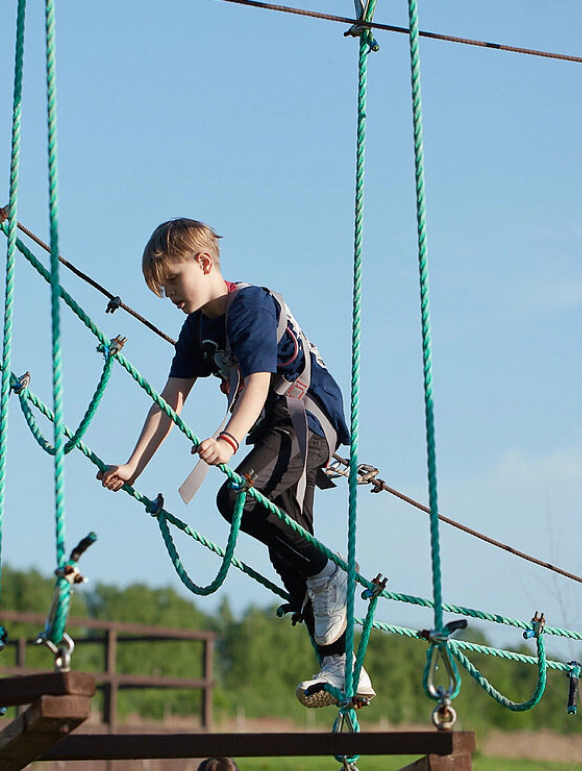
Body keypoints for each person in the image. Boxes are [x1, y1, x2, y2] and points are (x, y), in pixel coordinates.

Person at [98, 218, 375, 707]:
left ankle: (331, 573)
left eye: (172, 282)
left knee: (237, 499)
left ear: (205, 263)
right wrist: (134, 465)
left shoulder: (250, 305)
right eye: (160, 289)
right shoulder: (196, 329)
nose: (168, 295)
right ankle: (342, 666)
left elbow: (260, 382)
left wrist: (228, 439)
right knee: (288, 554)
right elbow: (171, 400)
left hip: (305, 420)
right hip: (273, 432)